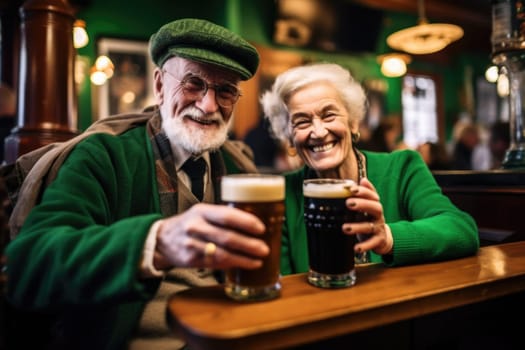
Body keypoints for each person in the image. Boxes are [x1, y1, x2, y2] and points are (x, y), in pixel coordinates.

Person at [4, 18, 267, 349]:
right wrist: (155, 243)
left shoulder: (239, 166)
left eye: (225, 90)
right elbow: (29, 265)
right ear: (159, 85)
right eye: (193, 83)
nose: (209, 105)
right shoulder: (104, 155)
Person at [260, 63, 479, 274]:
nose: (318, 132)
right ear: (289, 137)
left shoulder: (402, 167)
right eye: (301, 122)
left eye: (329, 115)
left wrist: (388, 237)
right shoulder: (283, 193)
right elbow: (284, 284)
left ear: (353, 123)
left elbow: (462, 230)